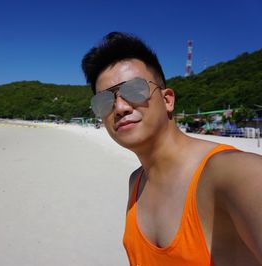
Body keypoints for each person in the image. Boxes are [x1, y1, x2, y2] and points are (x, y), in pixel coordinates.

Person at [81, 32, 262, 265]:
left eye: (134, 90)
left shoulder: (238, 174)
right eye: (103, 101)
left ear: (167, 100)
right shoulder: (136, 182)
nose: (120, 107)